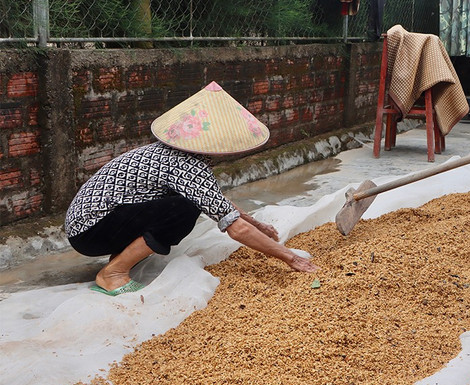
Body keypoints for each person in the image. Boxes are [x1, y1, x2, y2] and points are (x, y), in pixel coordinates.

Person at [65, 81, 318, 296]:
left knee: (188, 202)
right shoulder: (186, 164)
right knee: (184, 210)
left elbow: (213, 199)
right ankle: (113, 273)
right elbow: (235, 229)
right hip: (90, 230)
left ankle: (119, 259)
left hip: (91, 222)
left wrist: (258, 224)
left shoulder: (175, 154)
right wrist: (291, 258)